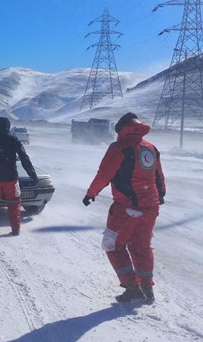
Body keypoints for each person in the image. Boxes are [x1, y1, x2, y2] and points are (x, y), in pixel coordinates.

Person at [82, 112, 166, 303]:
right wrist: (159, 197)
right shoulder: (150, 148)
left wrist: (91, 193)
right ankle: (147, 288)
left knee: (112, 245)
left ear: (121, 129)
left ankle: (132, 286)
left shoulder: (119, 147)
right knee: (142, 247)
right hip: (150, 207)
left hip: (127, 207)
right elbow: (159, 176)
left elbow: (104, 174)